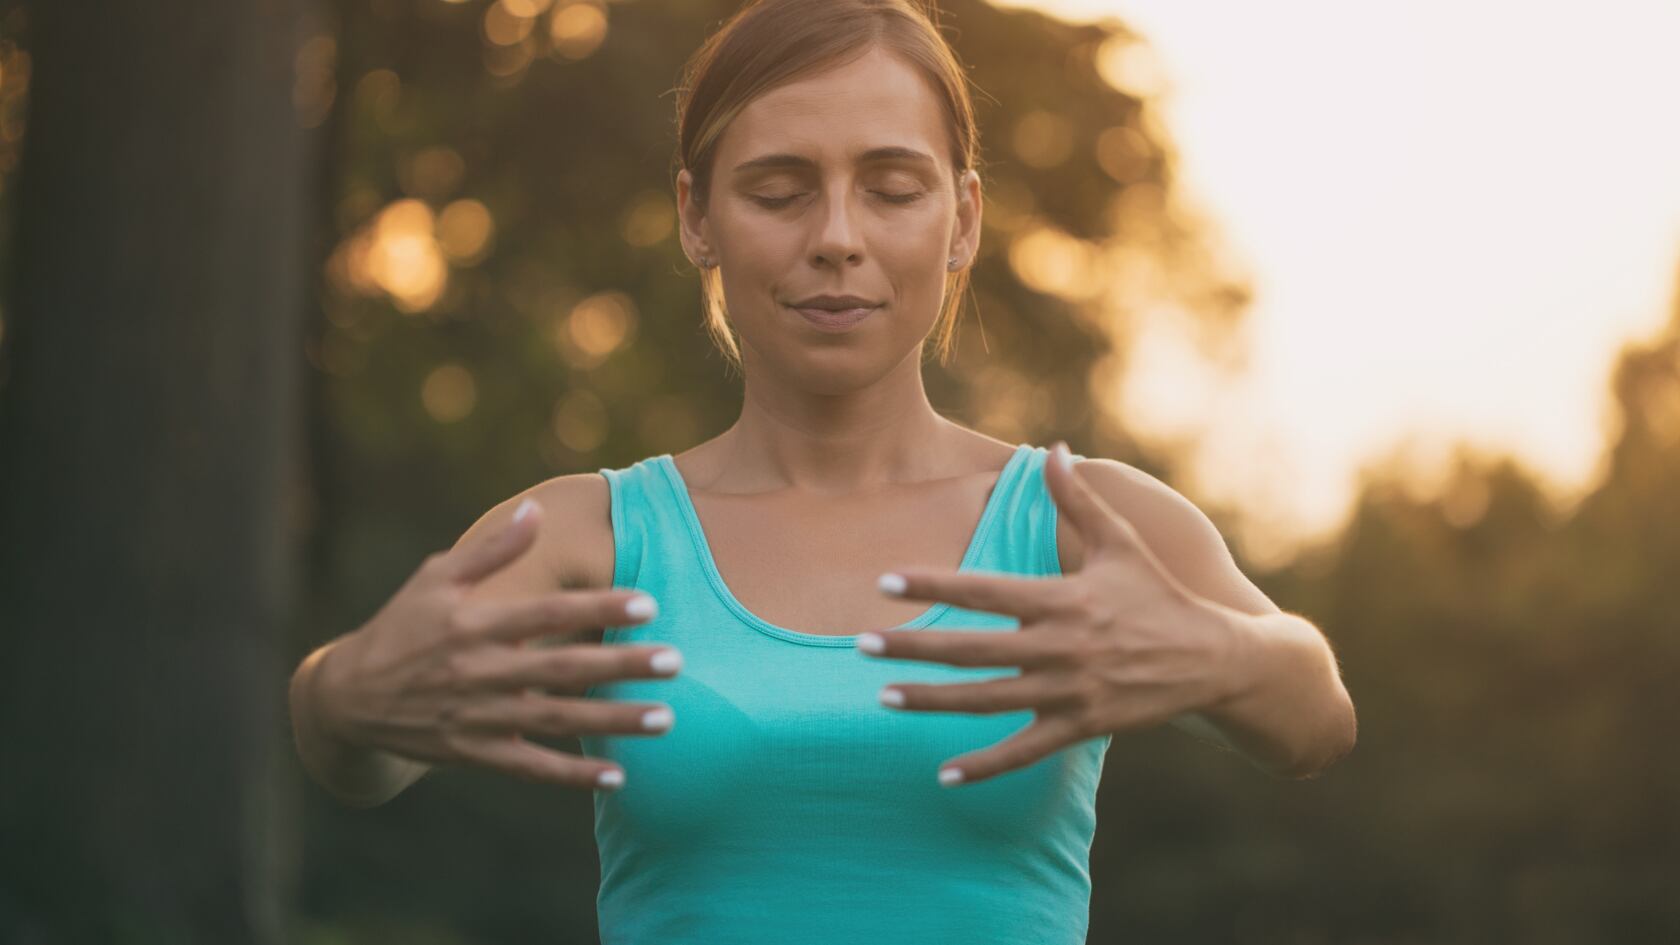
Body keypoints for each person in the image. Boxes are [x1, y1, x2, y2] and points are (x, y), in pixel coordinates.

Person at [287, 0, 1357, 941]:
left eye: (892, 189)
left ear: (962, 220)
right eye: (779, 190)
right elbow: (357, 749)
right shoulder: (587, 537)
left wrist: (1220, 654)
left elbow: (1315, 716)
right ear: (697, 218)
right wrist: (344, 695)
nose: (837, 237)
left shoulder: (1082, 518)